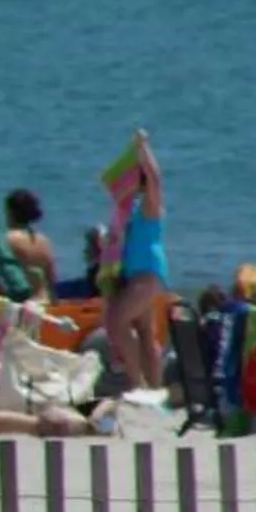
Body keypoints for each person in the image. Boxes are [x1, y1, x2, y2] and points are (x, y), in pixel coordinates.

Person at [104, 130, 170, 396]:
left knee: (118, 323)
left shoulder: (149, 206)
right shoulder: (130, 209)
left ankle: (136, 384)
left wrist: (143, 148)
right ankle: (154, 387)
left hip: (147, 273)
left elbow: (156, 179)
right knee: (144, 331)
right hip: (137, 274)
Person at [3, 188, 59, 298]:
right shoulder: (44, 241)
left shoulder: (8, 240)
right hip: (43, 300)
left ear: (10, 212)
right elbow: (51, 279)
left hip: (20, 302)